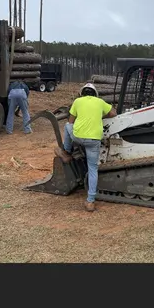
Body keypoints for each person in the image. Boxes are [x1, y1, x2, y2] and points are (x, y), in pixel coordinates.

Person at [55, 83, 116, 212]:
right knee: (93, 168)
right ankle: (90, 201)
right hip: (94, 140)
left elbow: (71, 121)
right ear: (95, 94)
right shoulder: (100, 102)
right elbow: (113, 113)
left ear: (82, 93)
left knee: (67, 126)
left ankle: (66, 151)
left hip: (78, 137)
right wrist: (100, 115)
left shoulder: (77, 101)